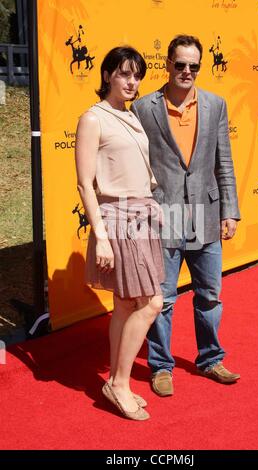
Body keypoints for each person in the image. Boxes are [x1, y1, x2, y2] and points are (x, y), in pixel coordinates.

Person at [131, 34, 241, 397]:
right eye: (180, 64)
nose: (187, 71)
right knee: (160, 299)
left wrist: (231, 211)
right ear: (167, 64)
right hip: (165, 215)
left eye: (194, 66)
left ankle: (210, 358)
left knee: (209, 294)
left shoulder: (215, 105)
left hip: (206, 214)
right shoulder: (144, 107)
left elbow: (223, 161)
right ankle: (161, 366)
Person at [75, 46, 164, 419]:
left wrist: (151, 195)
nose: (132, 82)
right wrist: (102, 236)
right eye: (125, 74)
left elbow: (137, 164)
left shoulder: (130, 115)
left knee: (126, 304)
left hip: (141, 213)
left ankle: (115, 380)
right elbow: (84, 184)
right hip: (117, 219)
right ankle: (119, 383)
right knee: (150, 303)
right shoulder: (93, 119)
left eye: (137, 75)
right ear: (108, 74)